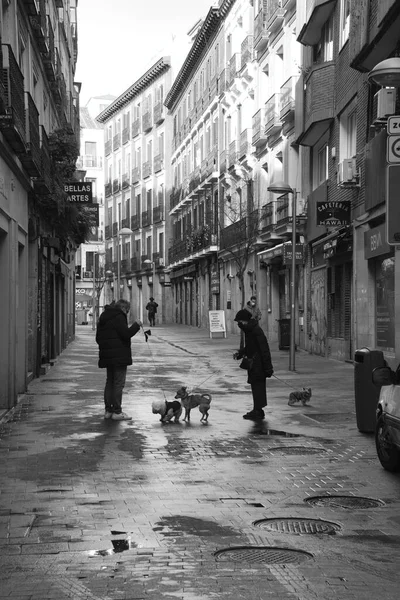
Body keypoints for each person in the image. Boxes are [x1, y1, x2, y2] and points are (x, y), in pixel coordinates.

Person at [96, 298, 142, 421]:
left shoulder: (104, 317)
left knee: (109, 382)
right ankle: (117, 411)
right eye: (127, 310)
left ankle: (108, 411)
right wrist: (136, 325)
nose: (127, 313)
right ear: (123, 308)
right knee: (118, 384)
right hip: (119, 356)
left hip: (107, 356)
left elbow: (98, 338)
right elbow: (125, 334)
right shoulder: (119, 316)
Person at [233, 309, 273, 421]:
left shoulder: (255, 331)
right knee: (255, 387)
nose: (239, 324)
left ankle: (258, 411)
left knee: (258, 387)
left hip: (258, 364)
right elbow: (250, 347)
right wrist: (240, 353)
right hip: (254, 364)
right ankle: (257, 410)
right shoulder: (249, 331)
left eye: (240, 321)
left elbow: (264, 349)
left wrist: (268, 367)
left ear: (245, 321)